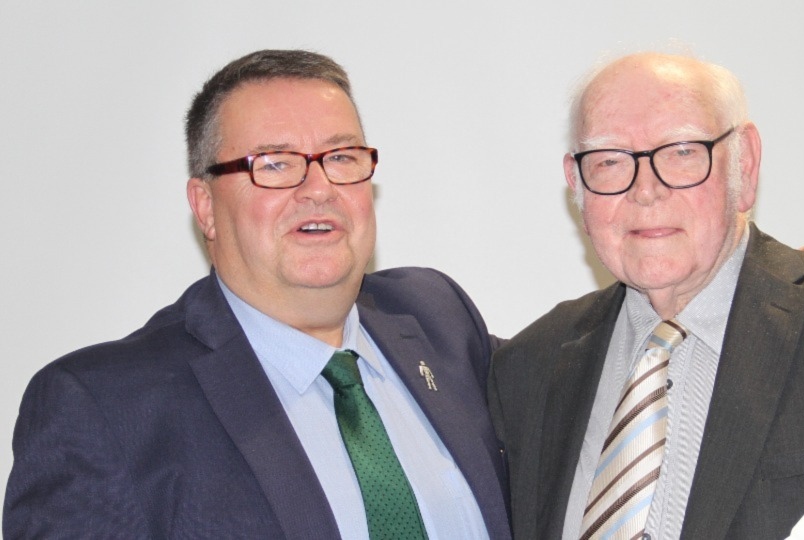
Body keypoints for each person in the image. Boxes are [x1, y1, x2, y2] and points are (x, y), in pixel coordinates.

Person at [4, 49, 510, 539]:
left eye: (341, 156)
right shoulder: (104, 409)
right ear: (204, 207)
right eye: (273, 164)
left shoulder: (439, 318)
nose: (318, 188)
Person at [487, 51, 804, 540]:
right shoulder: (527, 368)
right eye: (610, 161)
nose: (645, 190)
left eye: (682, 151)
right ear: (576, 183)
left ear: (745, 164)